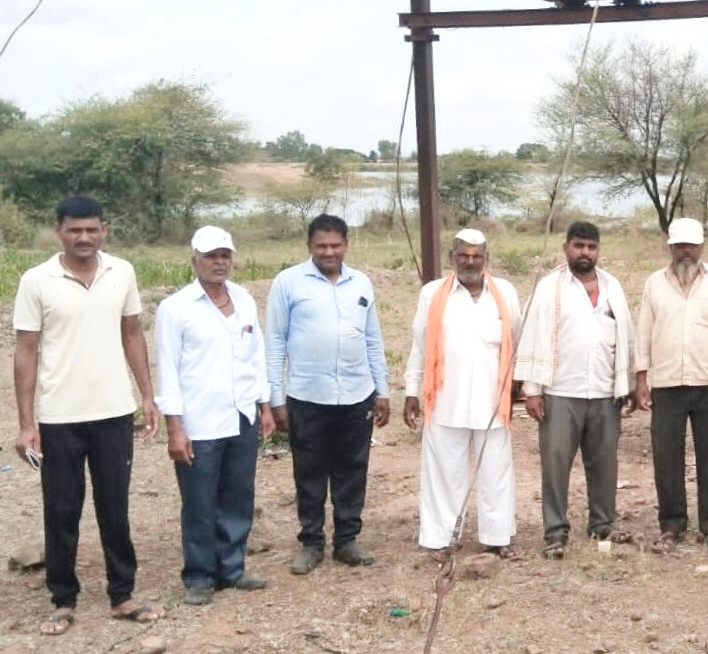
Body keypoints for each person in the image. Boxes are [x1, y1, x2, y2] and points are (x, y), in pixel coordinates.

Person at [11, 195, 164, 636]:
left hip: (114, 411)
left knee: (114, 507)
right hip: (59, 416)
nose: (84, 237)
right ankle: (63, 599)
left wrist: (147, 396)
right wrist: (26, 424)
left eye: (91, 229)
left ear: (104, 230)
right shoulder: (37, 280)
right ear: (59, 231)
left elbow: (132, 333)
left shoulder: (122, 272)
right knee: (61, 510)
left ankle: (122, 594)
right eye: (75, 230)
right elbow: (26, 351)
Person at [154, 225, 274, 605]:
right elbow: (168, 370)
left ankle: (232, 568)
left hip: (242, 414)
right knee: (200, 502)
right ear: (195, 260)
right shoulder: (176, 308)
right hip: (199, 421)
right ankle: (200, 576)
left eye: (225, 255)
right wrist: (175, 427)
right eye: (210, 256)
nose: (219, 262)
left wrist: (264, 405)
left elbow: (256, 355)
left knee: (238, 495)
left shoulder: (244, 299)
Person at [265, 214, 390, 575]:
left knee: (353, 469)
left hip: (356, 394)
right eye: (321, 246)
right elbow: (274, 342)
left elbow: (372, 339)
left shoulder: (361, 283)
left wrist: (381, 390)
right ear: (309, 246)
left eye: (335, 245)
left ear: (346, 245)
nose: (329, 252)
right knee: (310, 471)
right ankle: (312, 542)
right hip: (307, 396)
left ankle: (347, 540)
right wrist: (276, 398)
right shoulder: (288, 282)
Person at [515, 221, 636, 558]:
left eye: (591, 247)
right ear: (566, 248)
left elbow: (626, 337)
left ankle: (602, 524)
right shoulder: (549, 287)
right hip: (560, 391)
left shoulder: (612, 286)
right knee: (555, 464)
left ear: (598, 250)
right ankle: (555, 532)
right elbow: (532, 335)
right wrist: (532, 390)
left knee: (604, 463)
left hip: (604, 391)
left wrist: (627, 384)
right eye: (579, 246)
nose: (585, 252)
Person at [403, 229, 522, 556]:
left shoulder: (505, 292)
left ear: (486, 258)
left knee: (496, 472)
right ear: (451, 258)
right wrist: (412, 391)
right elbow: (419, 346)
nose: (470, 262)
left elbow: (515, 339)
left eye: (476, 256)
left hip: (492, 401)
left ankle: (498, 538)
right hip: (445, 400)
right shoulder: (432, 294)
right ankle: (440, 539)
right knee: (444, 473)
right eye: (463, 256)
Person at [634, 217, 708, 553]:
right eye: (680, 246)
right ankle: (671, 526)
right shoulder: (654, 283)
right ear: (670, 247)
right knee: (667, 458)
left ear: (702, 246)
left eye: (692, 245)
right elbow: (644, 332)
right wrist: (641, 377)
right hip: (666, 384)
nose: (686, 252)